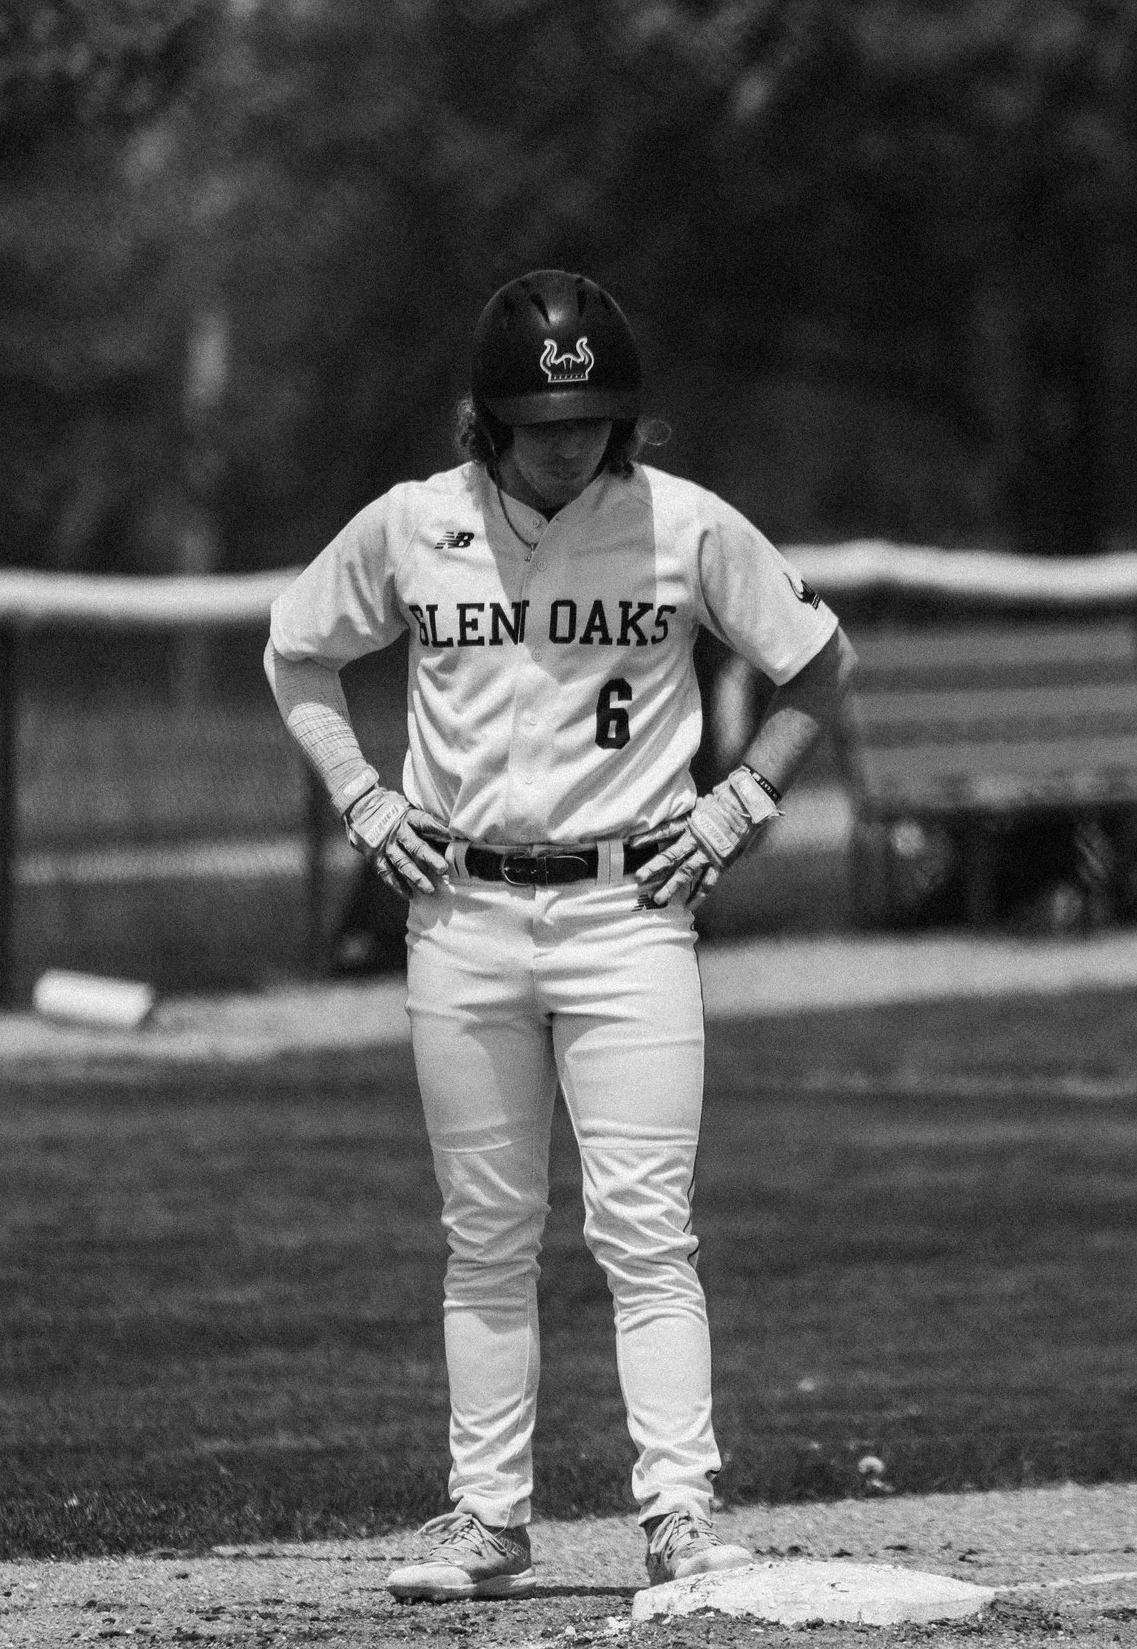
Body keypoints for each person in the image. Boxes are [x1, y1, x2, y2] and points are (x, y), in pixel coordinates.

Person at [263, 270, 855, 1600]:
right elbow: (298, 652)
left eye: (591, 411)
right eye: (540, 416)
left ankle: (684, 1516)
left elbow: (817, 664)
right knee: (484, 1235)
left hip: (629, 911)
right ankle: (487, 1520)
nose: (569, 436)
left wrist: (742, 801)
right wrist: (361, 795)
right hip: (461, 912)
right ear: (486, 416)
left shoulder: (682, 524)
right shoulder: (416, 526)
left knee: (646, 1232)